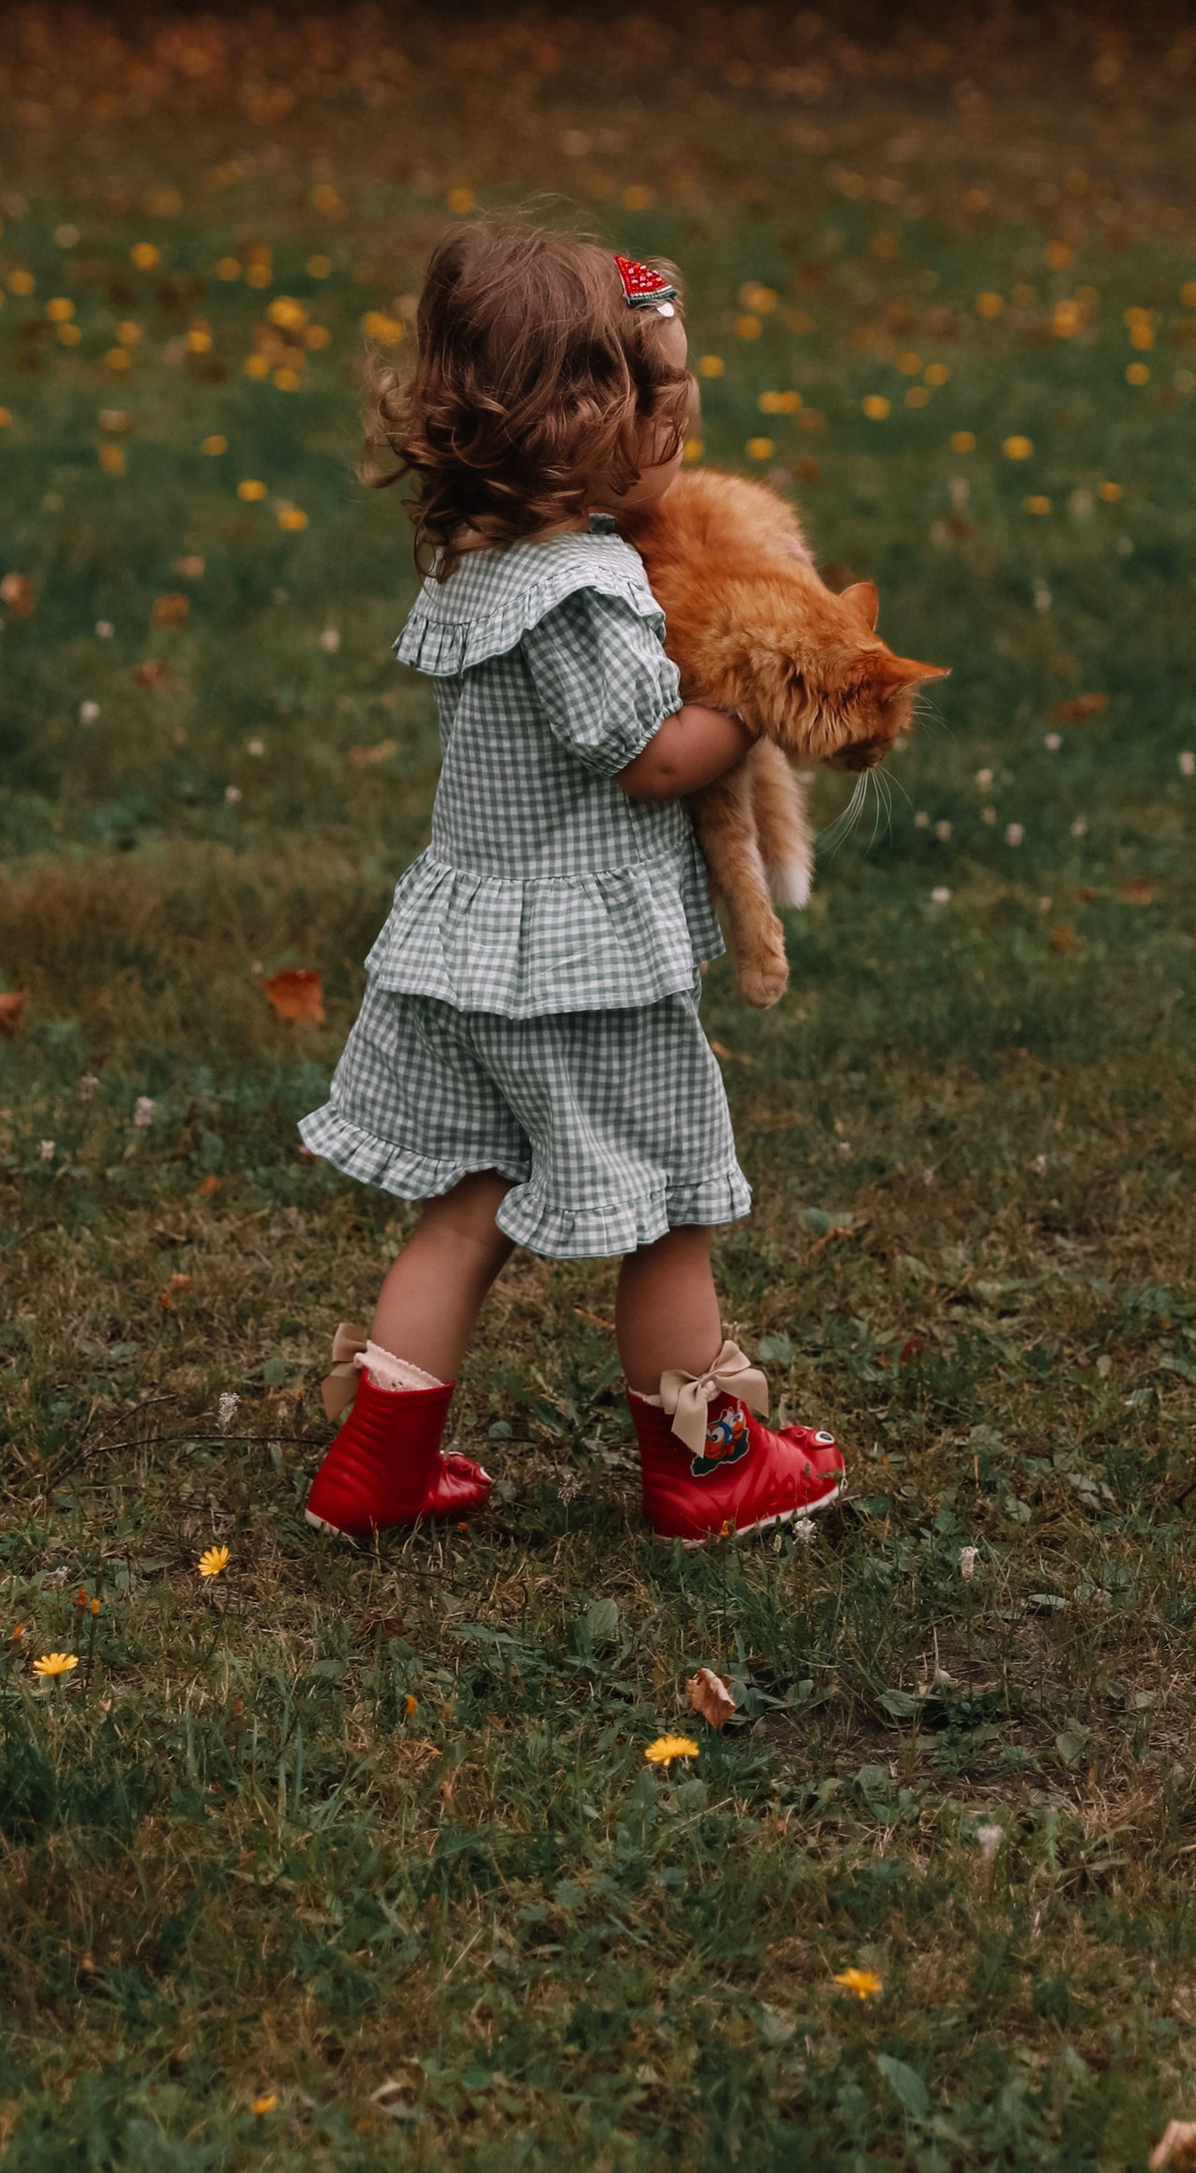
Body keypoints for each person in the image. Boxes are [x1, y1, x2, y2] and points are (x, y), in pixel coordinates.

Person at [296, 222, 846, 1545]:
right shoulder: (587, 588)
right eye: (666, 395)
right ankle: (709, 1470)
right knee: (667, 1211)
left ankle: (377, 1468)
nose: (687, 415)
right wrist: (753, 691)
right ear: (588, 422)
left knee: (469, 1205)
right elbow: (650, 762)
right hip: (579, 975)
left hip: (467, 951)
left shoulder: (477, 559)